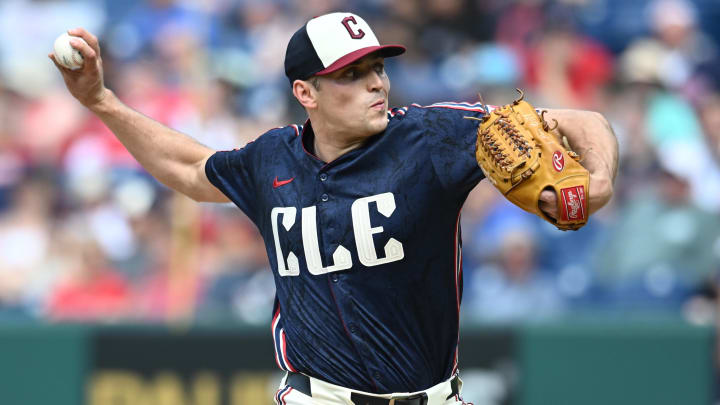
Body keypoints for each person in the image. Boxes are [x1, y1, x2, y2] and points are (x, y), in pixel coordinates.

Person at [51, 12, 618, 405]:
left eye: (377, 68)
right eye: (351, 75)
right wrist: (101, 100)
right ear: (306, 93)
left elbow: (582, 121)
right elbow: (189, 171)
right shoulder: (271, 158)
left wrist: (600, 181)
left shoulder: (431, 136)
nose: (376, 83)